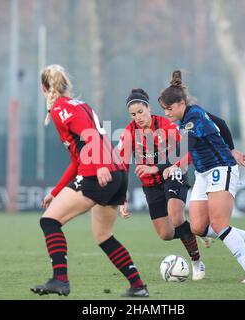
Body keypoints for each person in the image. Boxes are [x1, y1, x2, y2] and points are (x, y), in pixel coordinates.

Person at [118, 89, 245, 281]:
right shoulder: (132, 131)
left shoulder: (178, 123)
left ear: (149, 108)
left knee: (184, 217)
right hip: (193, 175)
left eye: (141, 111)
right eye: (133, 114)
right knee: (180, 230)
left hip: (189, 172)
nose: (166, 113)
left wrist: (162, 167)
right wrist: (122, 196)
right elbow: (219, 123)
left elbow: (185, 149)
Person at [30, 65, 148, 297]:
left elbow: (89, 137)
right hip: (117, 174)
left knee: (50, 222)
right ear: (65, 85)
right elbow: (76, 160)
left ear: (44, 88)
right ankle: (138, 286)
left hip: (98, 173)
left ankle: (60, 280)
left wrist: (101, 165)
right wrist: (56, 191)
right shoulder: (80, 105)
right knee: (104, 236)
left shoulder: (60, 110)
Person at [158, 70, 245, 283]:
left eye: (169, 109)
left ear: (181, 103)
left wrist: (175, 165)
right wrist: (231, 148)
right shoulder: (190, 115)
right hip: (203, 173)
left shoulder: (193, 117)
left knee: (219, 225)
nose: (167, 113)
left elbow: (192, 144)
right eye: (164, 110)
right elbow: (221, 124)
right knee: (197, 227)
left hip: (221, 169)